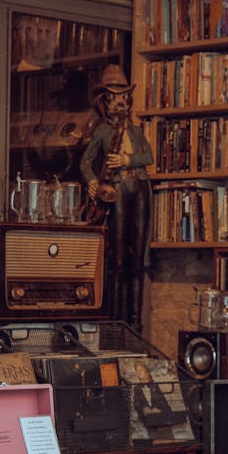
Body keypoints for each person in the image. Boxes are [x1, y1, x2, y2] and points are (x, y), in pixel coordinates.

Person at [80, 64, 153, 329]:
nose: (119, 102)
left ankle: (135, 324)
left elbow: (149, 157)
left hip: (140, 187)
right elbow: (85, 163)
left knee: (138, 258)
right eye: (114, 97)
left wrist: (127, 159)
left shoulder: (136, 131)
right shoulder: (101, 131)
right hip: (118, 189)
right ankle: (117, 321)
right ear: (105, 102)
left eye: (123, 96)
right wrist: (91, 182)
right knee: (119, 256)